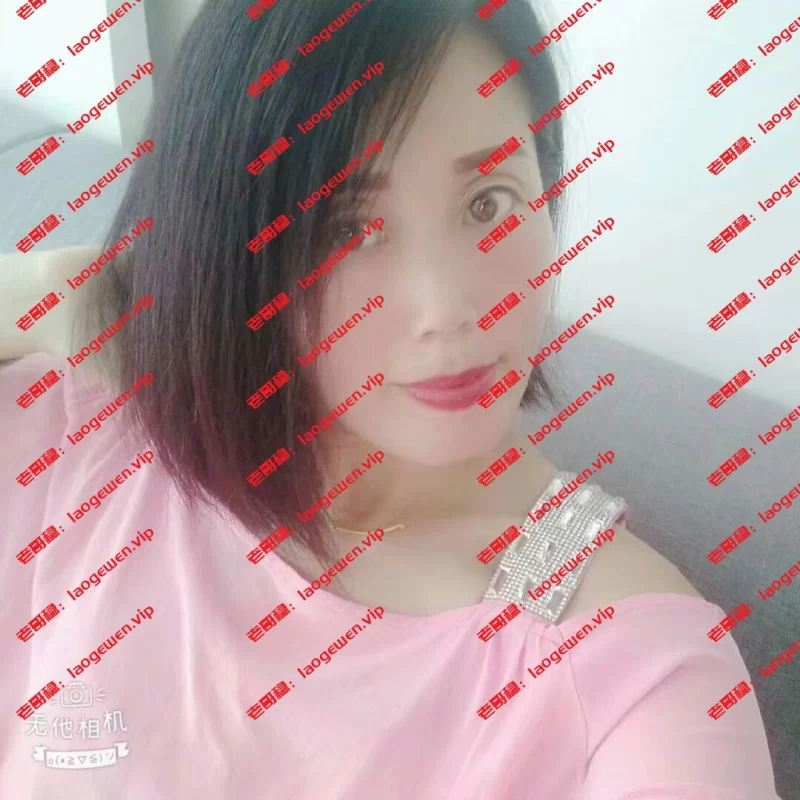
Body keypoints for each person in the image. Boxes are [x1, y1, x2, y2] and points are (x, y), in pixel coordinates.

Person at [1, 0, 779, 797]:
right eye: (348, 228)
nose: (449, 309)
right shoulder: (86, 433)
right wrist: (44, 284)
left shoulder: (636, 673)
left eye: (489, 203)